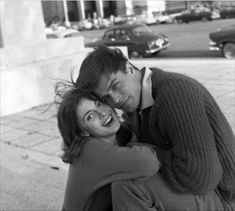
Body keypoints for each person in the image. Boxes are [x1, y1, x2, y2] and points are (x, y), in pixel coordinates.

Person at [75, 45, 235, 211]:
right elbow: (135, 135)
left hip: (221, 194)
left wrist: (144, 151)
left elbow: (202, 179)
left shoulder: (176, 94)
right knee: (115, 173)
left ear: (129, 68)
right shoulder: (138, 97)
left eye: (115, 85)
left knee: (127, 186)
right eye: (106, 98)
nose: (115, 99)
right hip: (197, 187)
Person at [56, 84, 161, 211]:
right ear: (83, 132)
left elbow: (132, 135)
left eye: (99, 103)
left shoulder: (114, 133)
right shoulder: (90, 150)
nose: (102, 113)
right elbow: (148, 163)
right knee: (131, 185)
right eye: (90, 116)